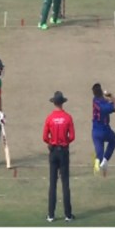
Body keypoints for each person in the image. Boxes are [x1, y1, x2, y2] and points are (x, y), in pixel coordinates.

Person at [43, 91, 76, 222]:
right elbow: (72, 136)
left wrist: (51, 142)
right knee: (65, 183)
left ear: (54, 103)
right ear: (62, 103)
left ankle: (51, 215)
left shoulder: (49, 118)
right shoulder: (68, 117)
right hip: (63, 151)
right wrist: (64, 142)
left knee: (52, 184)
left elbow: (45, 137)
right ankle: (68, 215)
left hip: (53, 152)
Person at [91, 83, 115, 175]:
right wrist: (111, 96)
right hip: (104, 130)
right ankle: (105, 161)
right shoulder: (104, 107)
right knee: (113, 139)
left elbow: (103, 100)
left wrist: (107, 99)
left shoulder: (95, 100)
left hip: (95, 132)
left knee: (99, 152)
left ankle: (97, 164)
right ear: (101, 92)